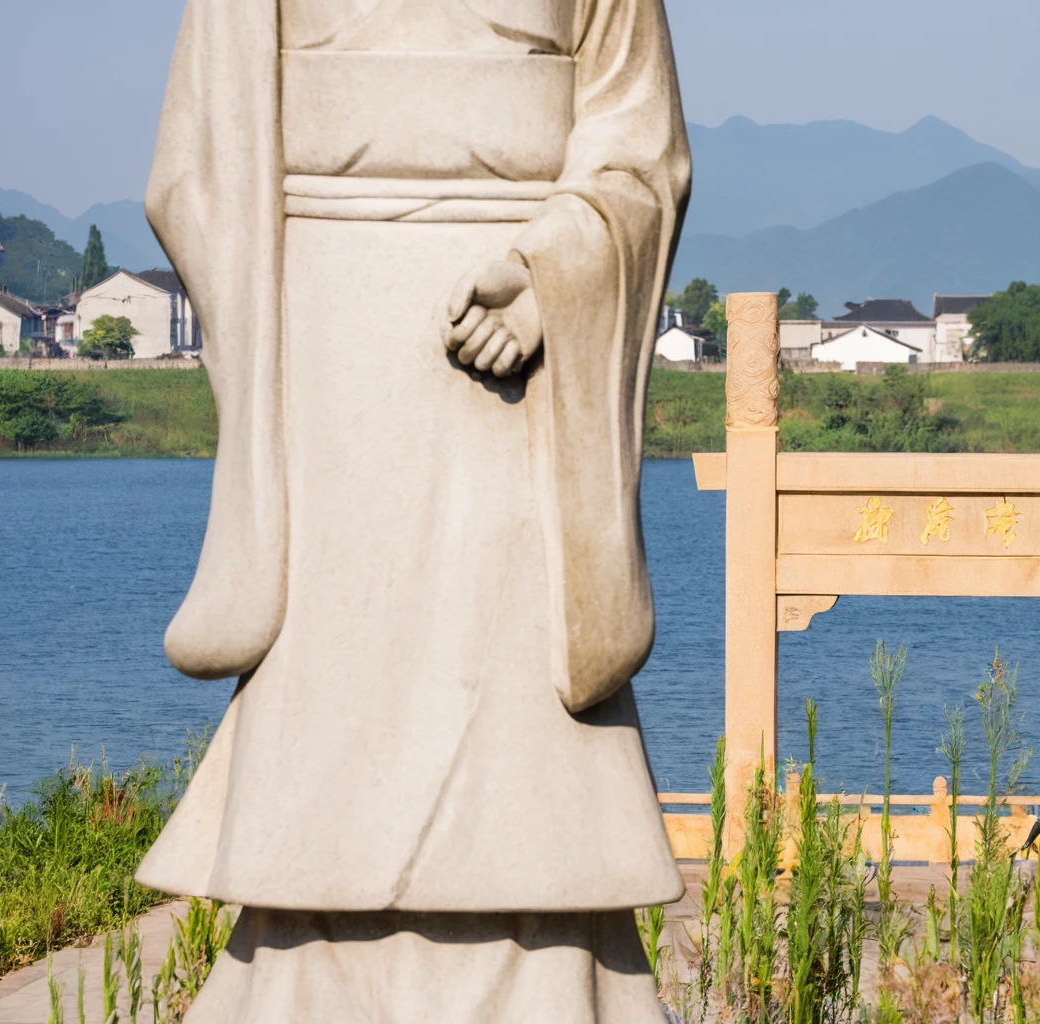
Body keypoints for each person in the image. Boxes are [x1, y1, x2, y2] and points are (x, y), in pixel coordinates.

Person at [135, 0, 690, 1019]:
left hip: (519, 374)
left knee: (517, 716)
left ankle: (552, 980)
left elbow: (641, 157)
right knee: (331, 697)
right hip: (323, 358)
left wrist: (553, 269)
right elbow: (195, 165)